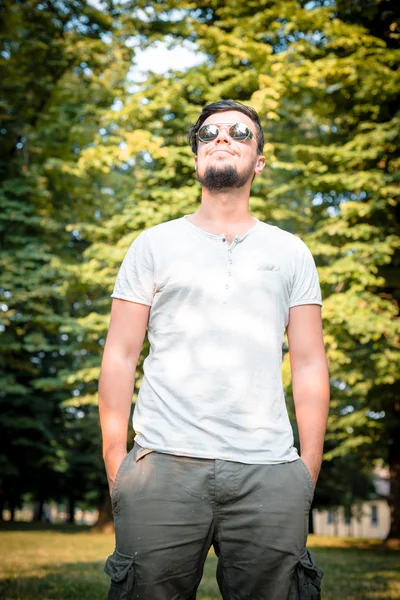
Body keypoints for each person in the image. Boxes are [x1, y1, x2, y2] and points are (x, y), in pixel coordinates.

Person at [99, 99, 329, 600]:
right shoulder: (152, 245)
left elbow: (309, 362)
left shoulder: (291, 251)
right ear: (197, 158)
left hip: (269, 470)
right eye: (210, 134)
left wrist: (305, 472)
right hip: (161, 466)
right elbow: (119, 354)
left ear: (259, 162)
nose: (222, 138)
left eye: (239, 133)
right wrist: (116, 460)